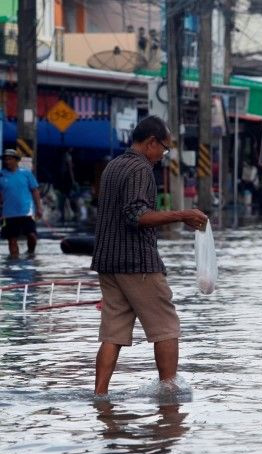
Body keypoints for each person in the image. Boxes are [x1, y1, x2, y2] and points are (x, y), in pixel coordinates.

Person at [91, 115, 208, 396]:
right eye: (164, 149)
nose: (162, 156)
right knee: (166, 326)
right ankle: (169, 394)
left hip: (108, 262)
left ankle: (100, 395)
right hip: (137, 262)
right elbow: (136, 215)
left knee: (113, 334)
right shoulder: (141, 169)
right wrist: (181, 215)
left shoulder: (113, 166)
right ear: (151, 143)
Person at [0, 149, 43, 257]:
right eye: (5, 159)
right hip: (9, 214)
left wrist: (39, 208)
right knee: (12, 240)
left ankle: (30, 253)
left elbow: (35, 191)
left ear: (16, 160)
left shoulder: (26, 174)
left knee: (32, 236)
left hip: (27, 212)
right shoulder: (0, 176)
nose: (7, 162)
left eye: (10, 159)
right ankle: (14, 261)